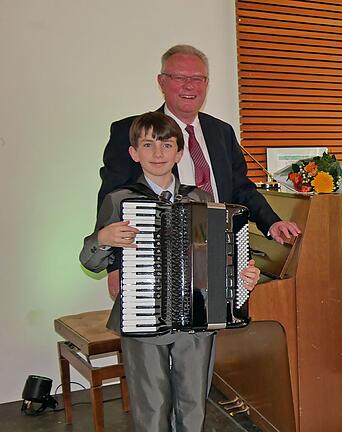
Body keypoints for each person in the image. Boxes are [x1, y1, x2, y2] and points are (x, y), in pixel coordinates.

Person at [80, 112, 261, 431]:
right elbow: (90, 260)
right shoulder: (120, 199)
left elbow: (221, 262)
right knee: (151, 407)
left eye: (167, 145)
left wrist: (242, 280)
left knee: (193, 406)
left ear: (180, 152)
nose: (158, 153)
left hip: (196, 322)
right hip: (143, 319)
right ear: (134, 153)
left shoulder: (201, 199)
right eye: (148, 145)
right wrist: (102, 240)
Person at [97, 45, 299, 274]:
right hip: (157, 267)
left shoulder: (222, 132)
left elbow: (241, 188)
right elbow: (111, 199)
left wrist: (271, 222)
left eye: (197, 78)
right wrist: (114, 267)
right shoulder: (131, 130)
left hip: (221, 258)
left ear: (206, 84)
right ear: (161, 82)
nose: (189, 86)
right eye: (179, 77)